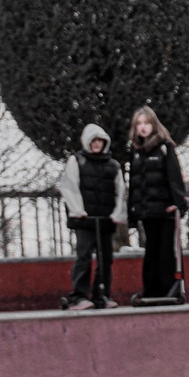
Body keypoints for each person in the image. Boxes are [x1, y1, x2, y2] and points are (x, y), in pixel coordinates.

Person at [56, 124, 127, 309]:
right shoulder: (78, 161)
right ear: (88, 142)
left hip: (105, 220)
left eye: (100, 140)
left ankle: (101, 294)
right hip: (85, 220)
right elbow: (69, 186)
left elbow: (120, 191)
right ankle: (79, 295)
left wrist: (116, 214)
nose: (96, 144)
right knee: (84, 256)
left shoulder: (113, 165)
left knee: (106, 258)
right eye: (93, 140)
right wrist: (78, 211)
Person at [124, 106, 187, 304]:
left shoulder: (164, 147)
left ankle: (168, 289)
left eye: (146, 123)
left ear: (153, 124)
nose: (143, 127)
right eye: (139, 124)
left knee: (166, 251)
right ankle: (151, 291)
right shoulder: (135, 151)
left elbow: (174, 177)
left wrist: (179, 204)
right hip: (147, 211)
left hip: (165, 210)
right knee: (151, 250)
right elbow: (134, 183)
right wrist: (133, 213)